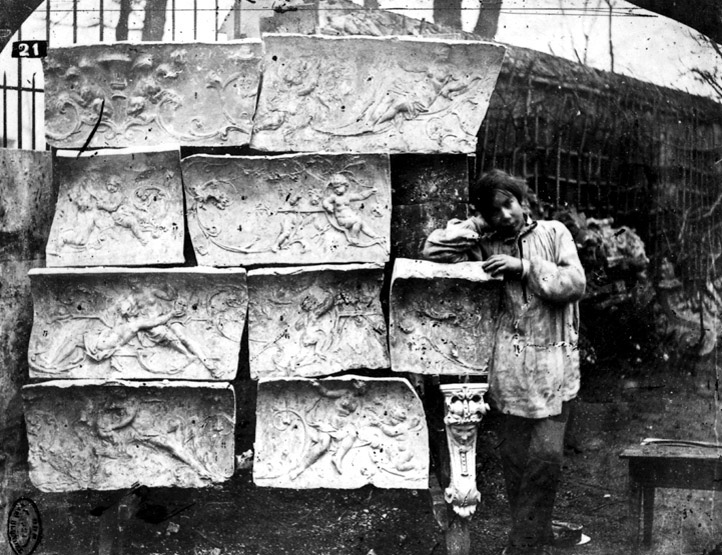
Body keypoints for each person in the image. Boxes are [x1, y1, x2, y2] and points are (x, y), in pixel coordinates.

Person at [422, 169, 586, 555]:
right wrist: (479, 224)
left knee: (546, 455)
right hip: (511, 367)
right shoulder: (487, 242)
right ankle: (535, 531)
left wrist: (525, 268)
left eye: (509, 204)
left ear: (523, 201)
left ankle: (524, 542)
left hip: (555, 364)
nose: (506, 216)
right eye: (495, 211)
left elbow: (574, 284)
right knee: (514, 458)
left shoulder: (553, 233)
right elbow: (434, 250)